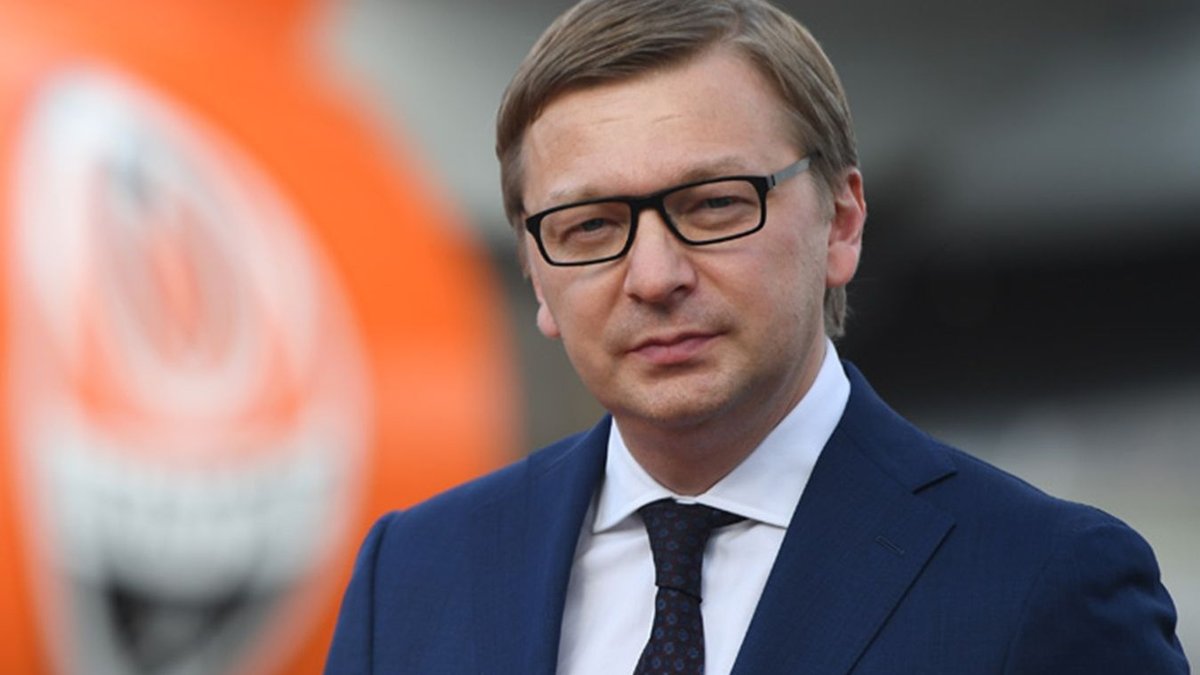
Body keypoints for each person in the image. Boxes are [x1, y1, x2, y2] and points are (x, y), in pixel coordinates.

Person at [325, 0, 1189, 672]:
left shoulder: (1043, 580)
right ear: (535, 272)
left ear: (841, 223)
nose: (654, 275)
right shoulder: (414, 572)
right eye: (590, 226)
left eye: (713, 205)